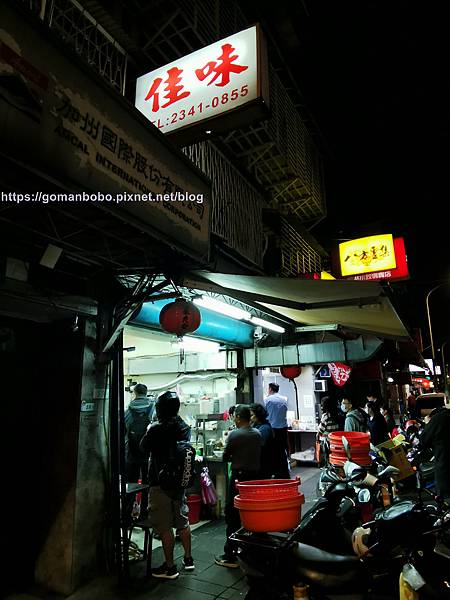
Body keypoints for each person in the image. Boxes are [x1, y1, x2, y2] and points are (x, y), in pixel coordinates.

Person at [139, 391, 194, 579]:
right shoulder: (183, 426)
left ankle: (169, 568)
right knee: (182, 522)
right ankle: (188, 560)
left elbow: (142, 447)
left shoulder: (156, 429)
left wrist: (149, 429)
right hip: (179, 483)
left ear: (160, 409)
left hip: (159, 483)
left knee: (164, 527)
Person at [215, 404, 262, 568]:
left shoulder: (235, 434)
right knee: (250, 514)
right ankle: (250, 551)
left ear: (238, 418)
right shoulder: (257, 433)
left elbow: (226, 457)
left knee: (232, 513)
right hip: (254, 478)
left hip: (239, 478)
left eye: (234, 416)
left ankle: (230, 555)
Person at [124, 383, 154, 521]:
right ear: (146, 392)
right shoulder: (153, 409)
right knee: (148, 484)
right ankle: (145, 514)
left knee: (131, 484)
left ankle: (127, 514)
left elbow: (123, 434)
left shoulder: (127, 412)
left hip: (132, 454)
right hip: (149, 455)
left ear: (135, 393)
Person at [419, 407, 450, 502]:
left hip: (444, 463)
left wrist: (427, 423)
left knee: (445, 498)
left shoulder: (437, 419)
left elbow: (423, 440)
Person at [264, 382, 290, 479]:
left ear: (270, 389)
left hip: (272, 429)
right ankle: (284, 473)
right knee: (282, 452)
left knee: (272, 452)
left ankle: (275, 473)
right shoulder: (284, 399)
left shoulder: (267, 400)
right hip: (283, 429)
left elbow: (264, 414)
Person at [250, 403, 275, 479]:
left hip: (264, 464)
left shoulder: (264, 428)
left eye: (252, 415)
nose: (250, 418)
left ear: (258, 415)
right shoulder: (255, 425)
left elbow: (259, 443)